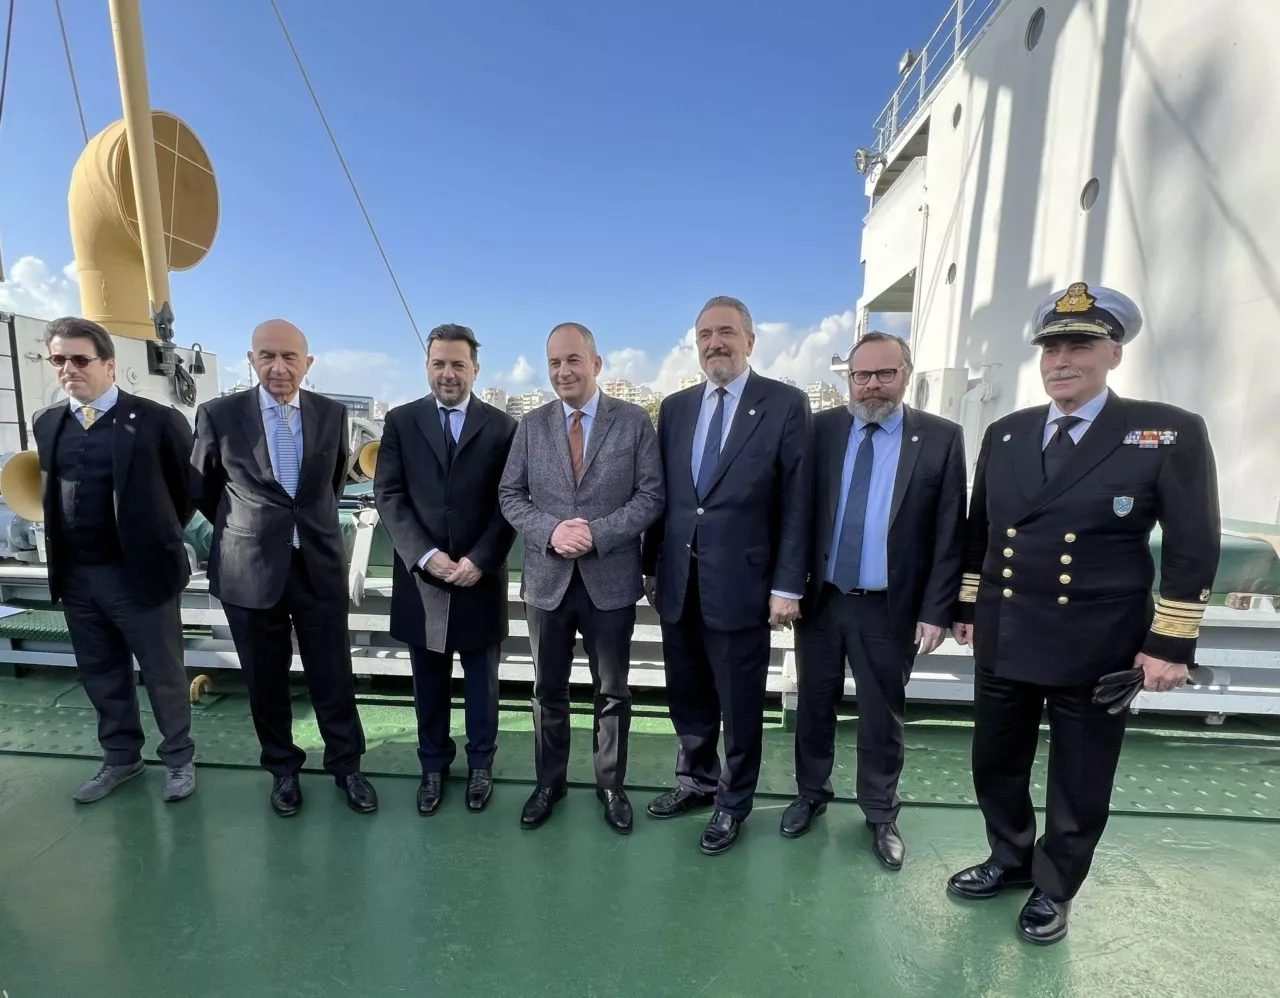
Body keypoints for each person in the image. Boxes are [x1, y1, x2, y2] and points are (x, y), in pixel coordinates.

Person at [947, 282, 1221, 944]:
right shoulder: (1008, 433)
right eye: (1052, 348)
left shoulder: (1164, 432)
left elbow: (1193, 544)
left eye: (1079, 346)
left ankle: (1055, 884)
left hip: (1098, 640)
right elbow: (981, 530)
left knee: (1079, 776)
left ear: (1113, 354)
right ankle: (1010, 857)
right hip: (1007, 628)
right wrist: (967, 606)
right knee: (995, 760)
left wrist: (1170, 642)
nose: (1061, 360)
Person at [782, 331, 966, 869]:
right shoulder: (820, 430)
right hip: (822, 599)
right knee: (814, 703)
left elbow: (950, 533)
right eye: (861, 374)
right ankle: (810, 793)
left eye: (885, 373)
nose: (871, 385)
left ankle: (881, 812)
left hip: (889, 605)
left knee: (882, 714)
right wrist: (787, 585)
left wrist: (936, 611)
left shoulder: (940, 438)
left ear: (906, 375)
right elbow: (795, 514)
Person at [642, 295, 812, 855]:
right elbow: (666, 497)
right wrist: (650, 566)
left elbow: (797, 502)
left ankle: (733, 802)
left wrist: (788, 584)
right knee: (687, 692)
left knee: (739, 703)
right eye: (705, 335)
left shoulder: (784, 404)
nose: (715, 343)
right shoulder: (676, 408)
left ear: (750, 341)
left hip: (744, 584)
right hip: (678, 581)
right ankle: (696, 781)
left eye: (726, 332)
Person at [191, 319, 376, 817]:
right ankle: (283, 771)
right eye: (267, 355)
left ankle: (347, 767)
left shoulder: (331, 414)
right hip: (249, 569)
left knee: (333, 674)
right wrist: (252, 528)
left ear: (307, 363)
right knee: (265, 679)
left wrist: (300, 527)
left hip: (317, 564)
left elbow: (331, 484)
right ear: (251, 359)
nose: (279, 366)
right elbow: (204, 489)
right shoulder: (218, 415)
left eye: (290, 357)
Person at [498, 322, 664, 834]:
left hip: (609, 580)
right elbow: (510, 495)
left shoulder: (633, 422)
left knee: (612, 690)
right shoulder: (531, 425)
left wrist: (597, 533)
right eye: (554, 362)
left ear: (595, 363)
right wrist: (551, 531)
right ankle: (549, 783)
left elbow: (651, 495)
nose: (563, 371)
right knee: (548, 689)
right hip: (547, 582)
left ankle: (610, 785)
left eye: (573, 360)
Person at [32, 316, 197, 804]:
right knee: (101, 672)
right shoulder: (47, 422)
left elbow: (187, 490)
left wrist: (153, 537)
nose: (68, 368)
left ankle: (179, 759)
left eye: (80, 359)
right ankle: (121, 758)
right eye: (58, 359)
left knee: (163, 673)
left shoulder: (157, 420)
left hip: (139, 575)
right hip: (78, 577)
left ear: (108, 365)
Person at [374, 323, 517, 815]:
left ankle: (481, 766)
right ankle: (433, 766)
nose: (448, 373)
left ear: (475, 368)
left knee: (482, 685)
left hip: (480, 577)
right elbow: (388, 494)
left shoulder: (503, 427)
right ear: (427, 366)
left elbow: (510, 501)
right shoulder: (401, 421)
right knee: (428, 682)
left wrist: (481, 558)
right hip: (423, 579)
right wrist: (424, 554)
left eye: (458, 364)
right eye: (439, 363)